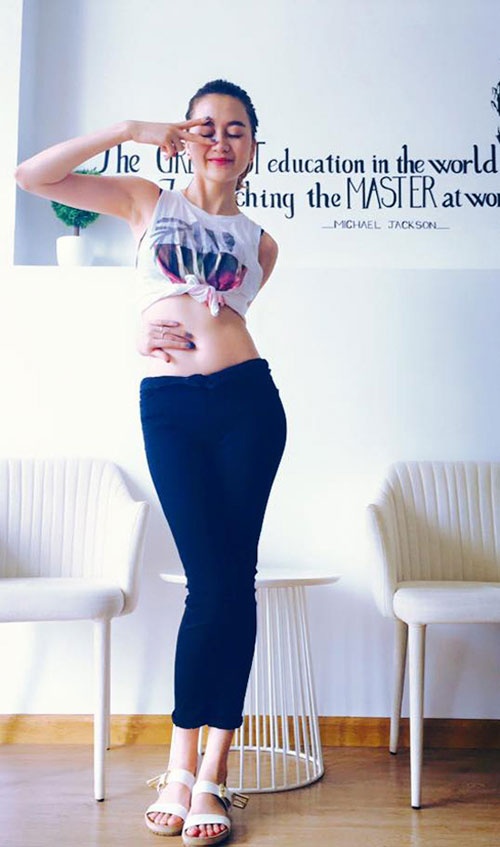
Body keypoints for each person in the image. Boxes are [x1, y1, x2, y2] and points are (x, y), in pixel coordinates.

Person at [15, 78, 287, 847]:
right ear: (184, 135)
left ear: (253, 146)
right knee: (209, 584)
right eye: (205, 126)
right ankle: (178, 765)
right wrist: (131, 126)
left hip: (249, 406)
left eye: (236, 128)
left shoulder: (263, 244)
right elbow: (32, 177)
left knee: (233, 585)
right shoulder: (146, 200)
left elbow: (216, 316)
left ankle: (210, 774)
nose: (220, 139)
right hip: (170, 407)